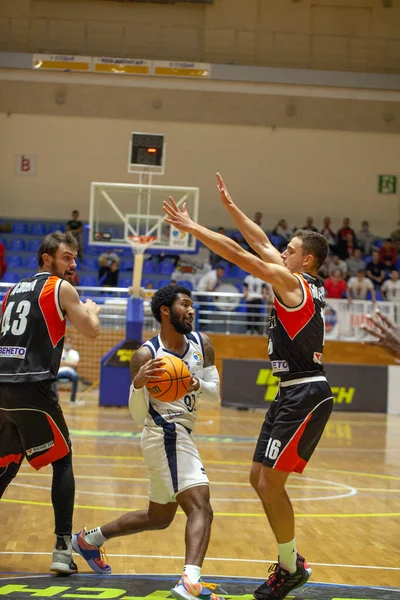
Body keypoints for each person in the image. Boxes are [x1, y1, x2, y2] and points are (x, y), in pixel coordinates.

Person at [163, 173, 333, 600]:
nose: (281, 251)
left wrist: (194, 228)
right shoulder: (297, 278)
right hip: (290, 390)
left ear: (305, 261)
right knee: (258, 477)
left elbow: (244, 253)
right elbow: (259, 242)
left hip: (306, 391)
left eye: (290, 250)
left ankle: (291, 566)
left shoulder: (292, 283)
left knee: (270, 484)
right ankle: (291, 563)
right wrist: (232, 208)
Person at [71, 285, 223, 600]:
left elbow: (214, 392)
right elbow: (137, 414)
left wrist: (195, 383)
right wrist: (137, 386)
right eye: (185, 304)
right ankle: (190, 580)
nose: (191, 310)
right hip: (163, 431)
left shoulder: (201, 343)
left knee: (160, 517)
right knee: (201, 505)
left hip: (179, 432)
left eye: (193, 304)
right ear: (165, 311)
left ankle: (89, 540)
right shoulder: (146, 354)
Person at [0, 232, 101, 574]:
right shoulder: (60, 288)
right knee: (63, 459)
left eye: (74, 258)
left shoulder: (12, 290)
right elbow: (91, 331)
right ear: (47, 258)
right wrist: (90, 310)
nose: (73, 264)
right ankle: (61, 548)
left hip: (2, 389)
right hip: (33, 387)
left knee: (8, 462)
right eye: (67, 257)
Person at [56, 335, 80, 403]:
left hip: (70, 372)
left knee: (75, 377)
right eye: (66, 342)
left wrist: (64, 362)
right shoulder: (59, 352)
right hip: (60, 371)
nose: (67, 343)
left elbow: (76, 364)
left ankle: (73, 399)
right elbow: (57, 363)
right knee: (52, 378)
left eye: (69, 342)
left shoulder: (75, 353)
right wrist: (69, 363)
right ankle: (56, 398)